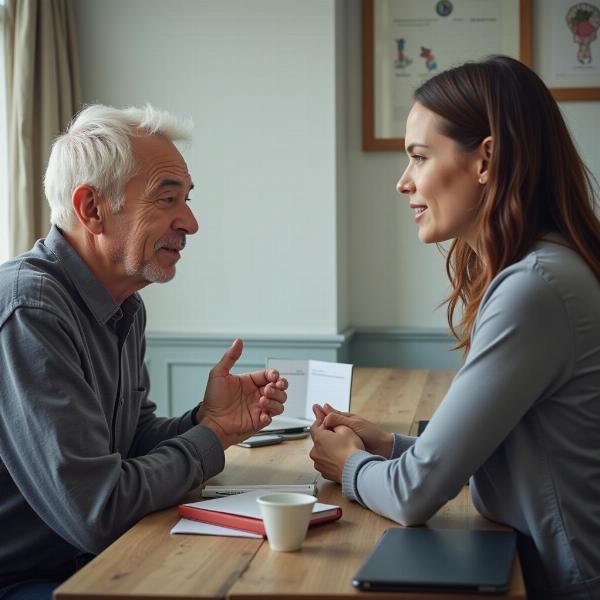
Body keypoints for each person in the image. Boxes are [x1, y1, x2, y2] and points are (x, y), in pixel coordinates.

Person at [309, 55, 600, 600]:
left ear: (486, 158)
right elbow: (504, 451)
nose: (403, 183)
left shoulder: (534, 288)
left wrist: (348, 464)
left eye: (419, 157)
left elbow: (414, 495)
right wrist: (392, 445)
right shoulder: (545, 271)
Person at [0, 104, 288, 599]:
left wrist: (208, 420)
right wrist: (211, 438)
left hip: (87, 563)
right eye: (167, 198)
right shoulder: (31, 308)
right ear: (92, 208)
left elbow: (128, 443)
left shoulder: (125, 304)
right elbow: (98, 511)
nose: (191, 222)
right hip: (28, 580)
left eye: (187, 199)